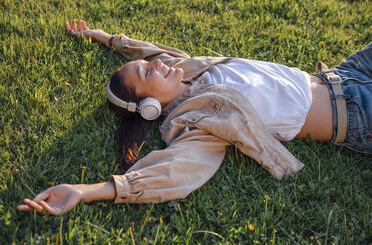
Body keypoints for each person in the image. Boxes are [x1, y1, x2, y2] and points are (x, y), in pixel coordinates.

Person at [17, 20, 372, 215]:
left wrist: (107, 38)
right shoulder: (198, 119)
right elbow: (175, 170)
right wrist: (83, 191)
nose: (156, 64)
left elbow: (152, 51)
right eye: (146, 74)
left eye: (145, 66)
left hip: (344, 74)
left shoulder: (186, 68)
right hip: (357, 112)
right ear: (150, 107)